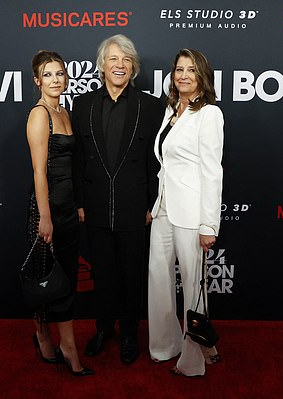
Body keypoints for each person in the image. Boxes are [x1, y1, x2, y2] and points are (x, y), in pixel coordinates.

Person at [72, 34, 164, 364]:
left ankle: (128, 334)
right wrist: (80, 202)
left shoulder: (151, 106)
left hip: (134, 207)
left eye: (126, 59)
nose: (120, 65)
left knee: (131, 274)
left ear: (134, 67)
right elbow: (78, 159)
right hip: (95, 207)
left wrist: (152, 204)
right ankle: (103, 329)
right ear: (101, 66)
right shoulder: (82, 106)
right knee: (104, 274)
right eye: (113, 59)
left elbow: (158, 161)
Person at [147, 49, 224, 377]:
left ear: (202, 76)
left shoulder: (209, 114)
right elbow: (165, 163)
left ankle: (192, 361)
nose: (183, 75)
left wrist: (209, 222)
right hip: (164, 208)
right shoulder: (170, 109)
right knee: (158, 277)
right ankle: (164, 346)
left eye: (191, 70)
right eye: (179, 69)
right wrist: (156, 204)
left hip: (192, 213)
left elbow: (212, 171)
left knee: (193, 285)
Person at [25, 50, 93, 377]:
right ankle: (50, 339)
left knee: (63, 279)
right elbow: (39, 172)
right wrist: (45, 217)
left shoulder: (64, 112)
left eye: (60, 74)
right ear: (37, 80)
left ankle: (56, 341)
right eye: (48, 75)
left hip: (68, 209)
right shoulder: (40, 115)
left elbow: (73, 166)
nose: (55, 80)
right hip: (47, 210)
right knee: (46, 279)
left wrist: (76, 205)